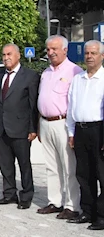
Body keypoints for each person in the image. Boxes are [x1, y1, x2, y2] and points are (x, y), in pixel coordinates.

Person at [37, 35, 84, 220]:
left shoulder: (74, 71)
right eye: (48, 49)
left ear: (65, 49)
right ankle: (54, 201)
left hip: (63, 123)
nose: (51, 52)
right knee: (51, 166)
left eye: (54, 49)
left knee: (68, 166)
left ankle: (72, 205)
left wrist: (73, 131)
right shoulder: (46, 72)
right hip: (45, 122)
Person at [0, 44, 39, 209]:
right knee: (5, 164)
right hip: (2, 127)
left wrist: (33, 129)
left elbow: (33, 105)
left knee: (24, 164)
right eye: (4, 55)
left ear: (18, 55)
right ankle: (9, 194)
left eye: (9, 54)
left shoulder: (30, 76)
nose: (6, 58)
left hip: (21, 128)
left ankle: (26, 196)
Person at [66, 40, 104, 230]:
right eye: (87, 53)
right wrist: (71, 132)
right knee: (84, 174)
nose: (89, 56)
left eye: (94, 53)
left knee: (101, 174)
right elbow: (72, 107)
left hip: (99, 130)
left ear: (102, 56)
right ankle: (87, 212)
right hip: (80, 130)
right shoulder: (78, 79)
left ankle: (102, 216)